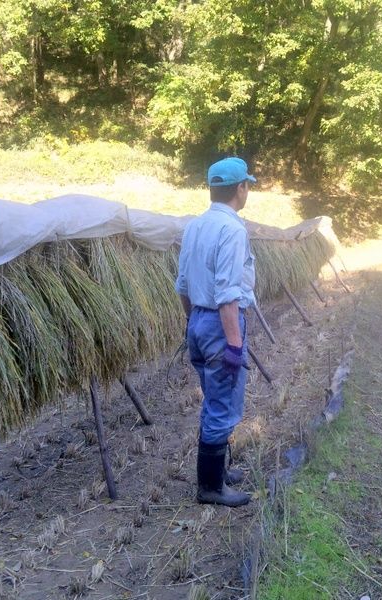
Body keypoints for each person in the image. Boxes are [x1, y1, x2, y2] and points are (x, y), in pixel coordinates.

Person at [175, 157, 256, 507]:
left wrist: (194, 323)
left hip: (198, 319)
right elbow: (227, 294)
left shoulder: (195, 226)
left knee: (213, 399)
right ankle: (210, 488)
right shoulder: (232, 230)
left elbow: (182, 285)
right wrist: (233, 345)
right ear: (241, 188)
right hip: (222, 325)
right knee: (223, 406)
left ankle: (218, 471)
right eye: (247, 185)